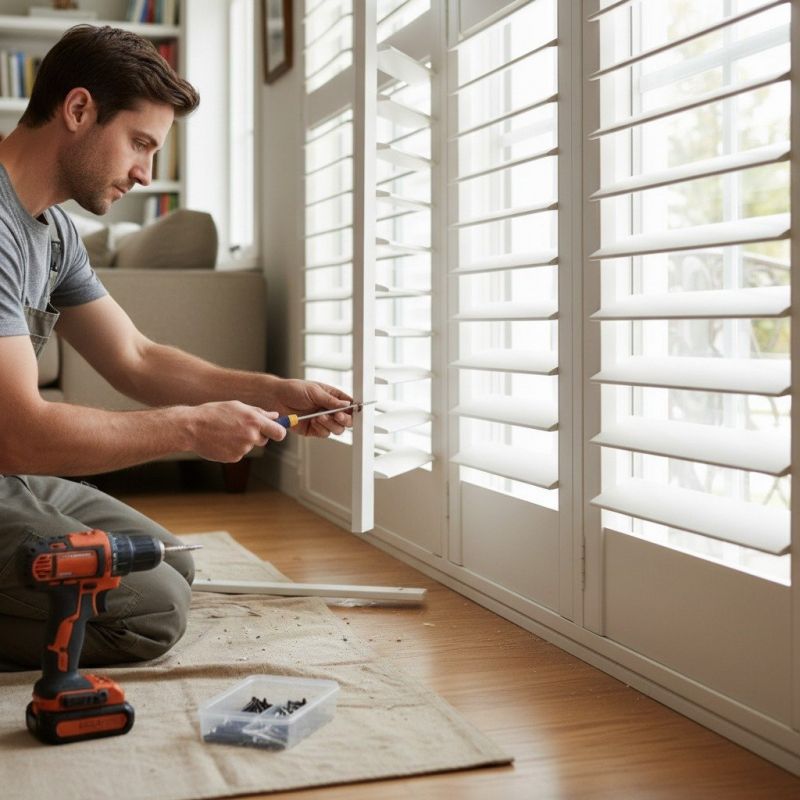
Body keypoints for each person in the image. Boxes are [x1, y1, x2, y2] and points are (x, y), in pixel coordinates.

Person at [0, 25, 355, 669]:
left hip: (7, 480)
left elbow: (135, 358)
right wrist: (191, 429)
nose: (144, 173)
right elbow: (21, 433)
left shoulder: (53, 232)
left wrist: (277, 392)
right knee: (151, 611)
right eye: (140, 143)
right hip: (10, 459)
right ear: (78, 110)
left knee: (171, 563)